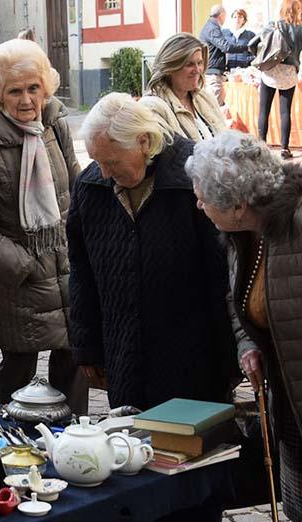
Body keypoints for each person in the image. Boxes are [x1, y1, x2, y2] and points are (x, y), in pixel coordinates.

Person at [68, 93, 237, 411]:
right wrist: (86, 346)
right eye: (98, 161)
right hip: (124, 354)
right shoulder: (91, 187)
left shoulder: (193, 178)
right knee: (133, 448)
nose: (103, 172)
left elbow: (221, 276)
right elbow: (81, 273)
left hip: (193, 358)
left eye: (112, 162)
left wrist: (230, 357)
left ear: (143, 142)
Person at [0, 39, 86, 408]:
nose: (27, 100)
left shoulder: (55, 125)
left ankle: (72, 447)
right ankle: (12, 449)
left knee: (72, 362)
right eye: (15, 91)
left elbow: (77, 190)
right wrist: (24, 265)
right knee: (19, 373)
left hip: (65, 268)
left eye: (34, 88)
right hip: (18, 282)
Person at [185, 130, 302, 522]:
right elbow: (246, 303)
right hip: (288, 405)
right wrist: (248, 345)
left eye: (202, 196)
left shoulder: (296, 226)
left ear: (237, 204)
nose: (198, 204)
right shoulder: (242, 235)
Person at [139, 33, 225, 141]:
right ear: (170, 68)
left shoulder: (206, 97)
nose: (197, 70)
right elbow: (169, 154)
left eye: (200, 63)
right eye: (189, 64)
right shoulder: (153, 107)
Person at [256, 0, 302, 159]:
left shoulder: (272, 24)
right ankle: (284, 149)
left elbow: (260, 43)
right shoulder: (300, 28)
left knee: (263, 111)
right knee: (285, 112)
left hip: (270, 69)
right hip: (289, 72)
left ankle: (261, 147)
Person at [199, 5, 248, 105]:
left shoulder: (211, 26)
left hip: (214, 72)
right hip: (212, 73)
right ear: (221, 15)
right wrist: (246, 48)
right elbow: (226, 47)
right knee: (215, 106)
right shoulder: (213, 28)